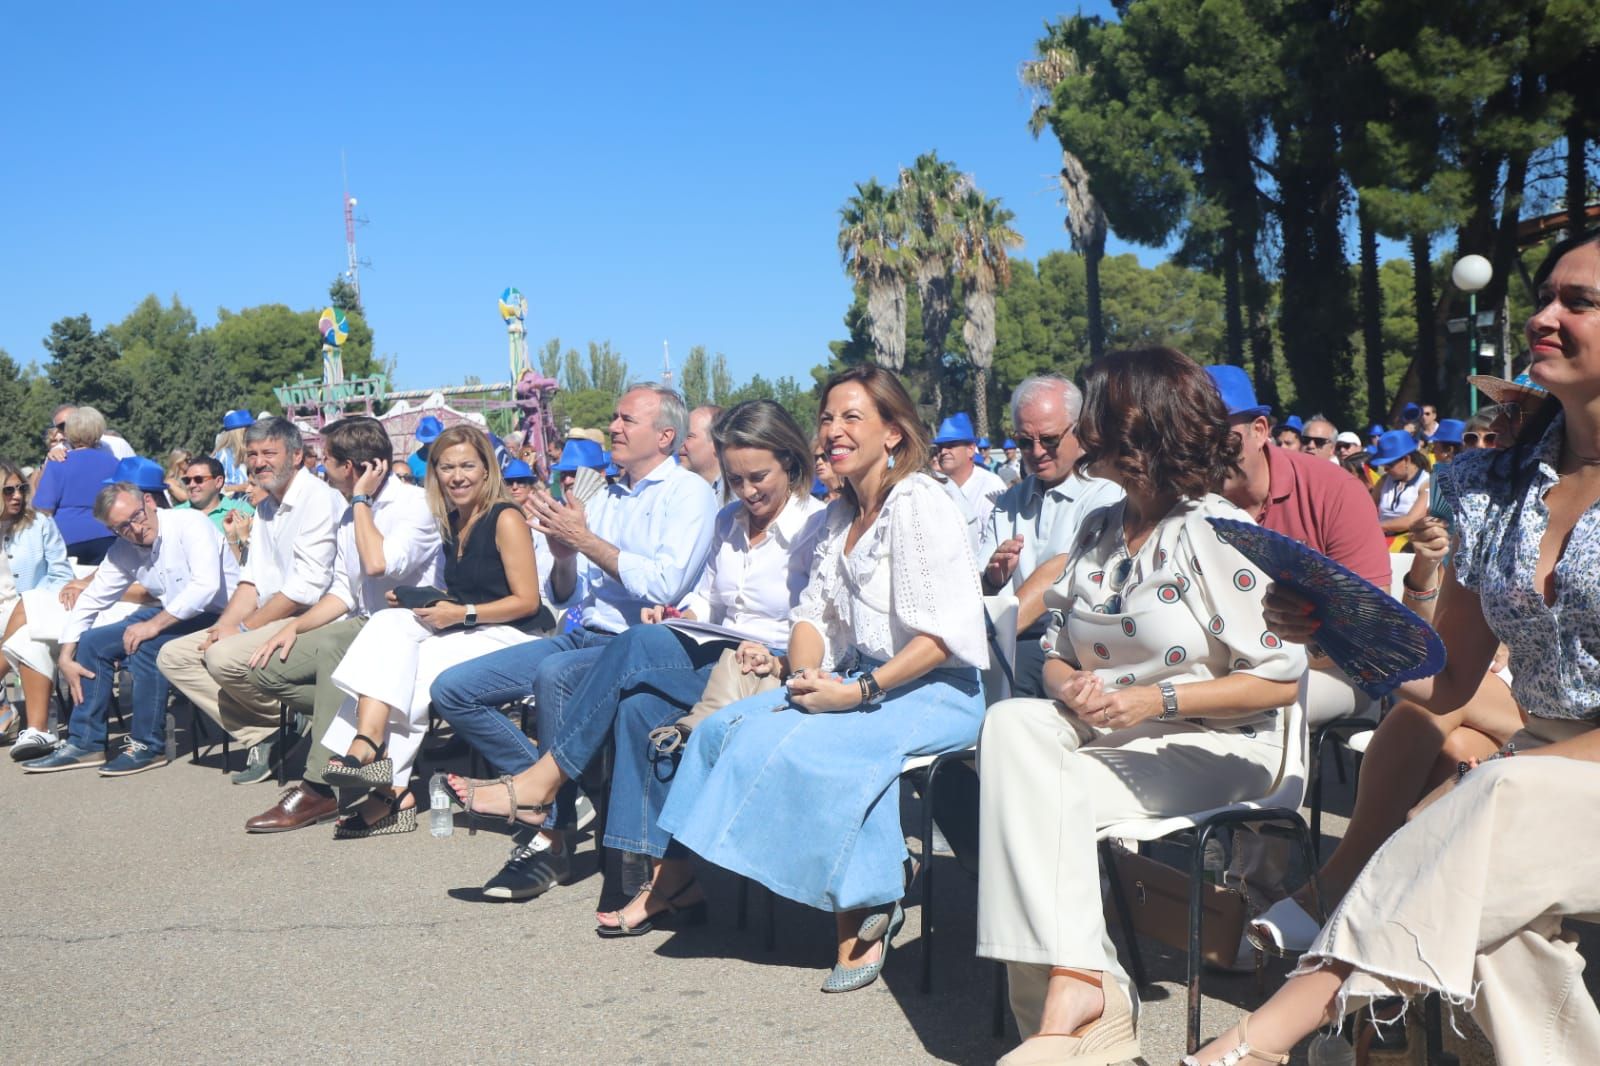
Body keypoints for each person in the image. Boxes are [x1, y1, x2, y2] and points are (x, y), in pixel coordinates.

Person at [1187, 226, 1600, 1066]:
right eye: (1546, 297)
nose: (1545, 317)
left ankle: (1261, 1038)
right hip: (1539, 766)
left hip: (1545, 775)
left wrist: (1520, 770)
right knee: (1498, 929)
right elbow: (1445, 683)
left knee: (1478, 805)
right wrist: (1335, 635)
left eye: (1579, 302)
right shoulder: (1492, 483)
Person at [977, 348, 1306, 1066]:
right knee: (1008, 725)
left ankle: (1071, 1012)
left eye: (1091, 407)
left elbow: (1279, 681)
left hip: (1222, 745)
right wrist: (1070, 687)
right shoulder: (1099, 529)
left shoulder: (1216, 533)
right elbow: (1058, 648)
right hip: (1114, 740)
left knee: (1034, 795)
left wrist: (1156, 696)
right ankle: (1080, 986)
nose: (1078, 424)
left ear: (1135, 425)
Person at [654, 366, 986, 995]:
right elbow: (813, 614)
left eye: (852, 418)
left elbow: (945, 636)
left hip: (937, 691)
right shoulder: (839, 517)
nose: (833, 431)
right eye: (828, 418)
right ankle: (702, 874)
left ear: (893, 432)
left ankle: (863, 902)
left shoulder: (920, 501)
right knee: (724, 729)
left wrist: (857, 692)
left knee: (811, 746)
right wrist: (804, 674)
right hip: (861, 681)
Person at [448, 400, 827, 901]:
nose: (746, 492)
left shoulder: (811, 522)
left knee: (606, 657)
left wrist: (589, 545)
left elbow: (815, 621)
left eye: (757, 477)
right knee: (635, 703)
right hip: (693, 649)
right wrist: (677, 614)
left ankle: (545, 792)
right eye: (735, 481)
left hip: (765, 664)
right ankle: (655, 872)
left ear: (791, 463)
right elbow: (698, 600)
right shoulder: (721, 518)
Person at [429, 383, 716, 882]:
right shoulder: (605, 495)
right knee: (452, 689)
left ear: (666, 435)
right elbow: (566, 594)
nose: (614, 427)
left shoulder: (687, 493)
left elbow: (667, 583)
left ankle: (551, 839)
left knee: (556, 674)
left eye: (627, 420)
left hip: (640, 646)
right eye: (615, 417)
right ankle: (563, 795)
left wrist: (584, 540)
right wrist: (564, 556)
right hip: (584, 635)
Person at [316, 424, 546, 837]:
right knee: (388, 624)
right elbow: (467, 587)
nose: (457, 476)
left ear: (487, 469)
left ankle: (391, 791)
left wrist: (460, 614)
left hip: (516, 634)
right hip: (472, 625)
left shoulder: (505, 517)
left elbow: (528, 601)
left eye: (467, 466)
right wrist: (421, 597)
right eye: (446, 467)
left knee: (417, 674)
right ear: (434, 473)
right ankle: (368, 744)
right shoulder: (454, 519)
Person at [237, 416, 445, 833]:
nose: (319, 467)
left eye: (327, 460)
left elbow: (379, 563)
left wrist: (363, 503)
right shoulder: (352, 511)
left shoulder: (413, 506)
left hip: (414, 626)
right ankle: (359, 732)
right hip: (365, 622)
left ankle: (320, 788)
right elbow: (344, 591)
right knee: (261, 666)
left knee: (337, 647)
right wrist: (294, 628)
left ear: (353, 467)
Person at [156, 416, 345, 784]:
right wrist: (225, 626)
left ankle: (296, 711)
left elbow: (304, 590)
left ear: (296, 456)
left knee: (222, 656)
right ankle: (267, 731)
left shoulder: (319, 499)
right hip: (271, 613)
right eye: (253, 454)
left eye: (268, 453)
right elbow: (250, 583)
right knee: (174, 656)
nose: (258, 462)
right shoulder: (265, 507)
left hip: (311, 618)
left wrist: (241, 630)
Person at [21, 472, 237, 776]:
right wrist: (67, 655)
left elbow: (205, 588)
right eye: (122, 526)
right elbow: (92, 599)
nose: (135, 528)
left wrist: (154, 625)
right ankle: (86, 743)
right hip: (175, 614)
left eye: (137, 516)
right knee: (93, 642)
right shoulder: (123, 549)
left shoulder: (189, 523)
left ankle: (148, 744)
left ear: (148, 502)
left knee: (146, 643)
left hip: (222, 615)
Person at [979, 374, 1122, 697]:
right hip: (1010, 636)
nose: (1037, 451)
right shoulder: (1008, 502)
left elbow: (1064, 569)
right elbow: (979, 584)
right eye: (1025, 442)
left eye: (1050, 439)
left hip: (1073, 643)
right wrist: (991, 578)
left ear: (1080, 430)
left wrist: (990, 633)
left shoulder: (1106, 494)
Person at [0, 459, 75, 747]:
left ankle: (32, 727)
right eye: (8, 491)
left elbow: (61, 573)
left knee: (28, 635)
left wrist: (29, 602)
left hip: (31, 609)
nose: (17, 495)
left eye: (21, 488)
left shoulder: (40, 524)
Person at [34, 406, 121, 564]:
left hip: (66, 538)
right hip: (106, 534)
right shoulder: (115, 463)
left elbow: (43, 508)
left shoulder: (58, 463)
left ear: (68, 432)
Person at [933, 412, 1007, 543]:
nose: (943, 452)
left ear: (970, 450)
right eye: (940, 448)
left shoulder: (991, 486)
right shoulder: (933, 488)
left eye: (951, 445)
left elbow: (999, 541)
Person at [1369, 429, 1430, 541]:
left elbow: (1411, 521)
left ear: (1406, 459)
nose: (1385, 470)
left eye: (1389, 465)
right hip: (1381, 541)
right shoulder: (1384, 480)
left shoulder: (1427, 483)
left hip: (1410, 546)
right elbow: (1367, 508)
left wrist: (1375, 527)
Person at [174, 456, 255, 541]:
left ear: (218, 482)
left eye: (199, 479)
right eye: (187, 480)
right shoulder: (175, 515)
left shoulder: (244, 511)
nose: (191, 485)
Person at [679, 404, 724, 497]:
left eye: (689, 436)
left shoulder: (737, 496)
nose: (679, 443)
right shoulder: (682, 491)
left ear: (716, 443)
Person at [214, 409, 254, 494]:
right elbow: (214, 487)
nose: (251, 433)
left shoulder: (251, 452)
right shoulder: (223, 455)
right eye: (247, 430)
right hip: (233, 504)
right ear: (238, 433)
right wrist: (237, 488)